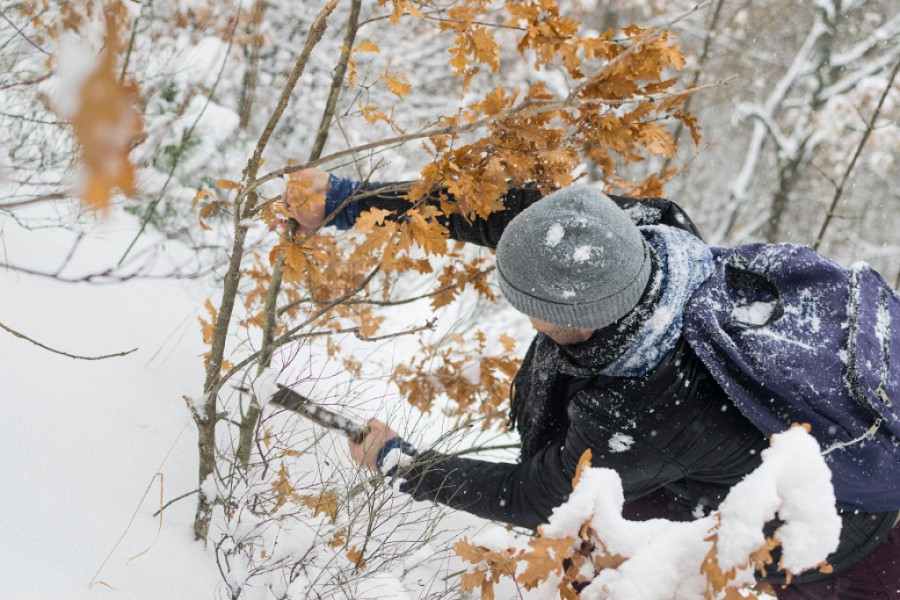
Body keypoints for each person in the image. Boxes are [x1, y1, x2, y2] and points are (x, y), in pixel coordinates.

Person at [285, 168, 899, 599]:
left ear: (573, 318)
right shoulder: (627, 239)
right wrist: (342, 200)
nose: (522, 314)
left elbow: (538, 495)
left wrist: (401, 465)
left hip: (849, 540)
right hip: (783, 459)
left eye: (527, 305)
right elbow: (504, 213)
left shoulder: (650, 407)